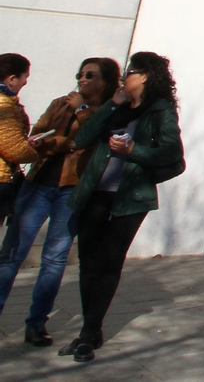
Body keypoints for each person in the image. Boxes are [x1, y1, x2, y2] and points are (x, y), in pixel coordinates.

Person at [61, 51, 184, 362]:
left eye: (131, 71)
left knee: (109, 263)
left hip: (130, 196)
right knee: (88, 264)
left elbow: (172, 154)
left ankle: (90, 332)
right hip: (95, 193)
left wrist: (133, 149)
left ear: (145, 76)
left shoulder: (160, 111)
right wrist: (112, 105)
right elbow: (85, 137)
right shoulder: (115, 107)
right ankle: (91, 331)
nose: (125, 76)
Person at [0, 57, 118, 347]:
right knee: (12, 254)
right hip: (38, 184)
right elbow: (37, 133)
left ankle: (37, 324)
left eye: (91, 75)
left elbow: (92, 139)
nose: (83, 79)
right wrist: (56, 140)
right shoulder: (59, 103)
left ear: (105, 81)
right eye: (80, 73)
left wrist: (78, 114)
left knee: (53, 259)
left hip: (71, 189)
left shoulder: (105, 111)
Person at [0, 54, 40, 234]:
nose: (25, 83)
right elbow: (14, 149)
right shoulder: (4, 106)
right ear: (12, 79)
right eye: (25, 77)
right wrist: (32, 150)